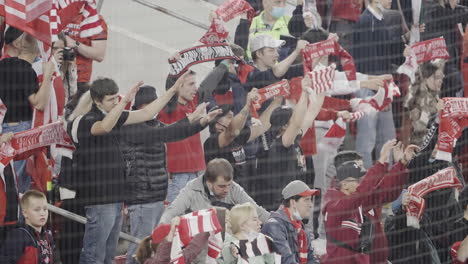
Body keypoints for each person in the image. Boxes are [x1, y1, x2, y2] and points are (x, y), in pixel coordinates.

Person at [74, 73, 187, 264]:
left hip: (117, 198)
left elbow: (145, 113)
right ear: (97, 101)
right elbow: (103, 127)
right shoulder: (88, 120)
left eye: (116, 98)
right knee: (95, 254)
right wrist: (124, 102)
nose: (114, 103)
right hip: (100, 199)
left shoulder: (115, 116)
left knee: (109, 255)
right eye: (110, 100)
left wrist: (172, 91)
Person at [120, 85, 222, 264]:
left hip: (156, 195)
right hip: (142, 197)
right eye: (154, 104)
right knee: (140, 248)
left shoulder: (153, 124)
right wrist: (192, 118)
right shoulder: (133, 126)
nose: (157, 108)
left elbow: (175, 132)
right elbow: (168, 132)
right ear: (142, 105)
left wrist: (202, 122)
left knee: (154, 247)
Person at [322, 140, 417, 264]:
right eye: (358, 178)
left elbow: (384, 191)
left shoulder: (359, 201)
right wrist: (380, 163)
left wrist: (401, 164)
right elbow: (362, 192)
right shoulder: (335, 205)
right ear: (344, 184)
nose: (363, 181)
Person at [255, 75, 325, 211]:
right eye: (292, 118)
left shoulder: (293, 139)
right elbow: (299, 121)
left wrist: (323, 86)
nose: (297, 119)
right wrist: (304, 92)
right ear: (284, 126)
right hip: (281, 207)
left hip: (295, 203)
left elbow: (311, 113)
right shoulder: (281, 144)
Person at [352, 0, 398, 168]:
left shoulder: (378, 19)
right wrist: (382, 93)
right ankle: (364, 182)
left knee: (387, 139)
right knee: (367, 141)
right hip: (369, 89)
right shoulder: (366, 22)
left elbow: (384, 55)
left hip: (380, 88)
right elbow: (367, 62)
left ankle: (386, 183)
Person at [204, 93, 282, 190]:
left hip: (241, 194)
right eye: (229, 117)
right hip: (224, 197)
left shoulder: (237, 137)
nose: (233, 119)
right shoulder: (211, 142)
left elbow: (262, 126)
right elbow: (232, 131)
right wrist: (247, 106)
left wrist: (279, 98)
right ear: (218, 125)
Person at [159, 158, 270, 224]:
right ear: (209, 181)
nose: (227, 190)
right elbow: (171, 212)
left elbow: (257, 211)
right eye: (221, 186)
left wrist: (278, 222)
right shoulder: (191, 189)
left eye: (229, 185)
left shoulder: (234, 188)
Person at [158, 70, 208, 203]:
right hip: (178, 174)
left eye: (195, 83)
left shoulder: (192, 103)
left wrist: (225, 62)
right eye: (191, 84)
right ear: (178, 86)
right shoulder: (167, 108)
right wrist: (175, 65)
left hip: (198, 171)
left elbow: (210, 81)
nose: (195, 88)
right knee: (176, 218)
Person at [261, 180, 320, 264]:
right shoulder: (274, 226)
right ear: (293, 202)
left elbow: (312, 259)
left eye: (310, 200)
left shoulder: (300, 227)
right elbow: (287, 261)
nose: (311, 205)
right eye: (306, 200)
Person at [0, 190, 54, 263]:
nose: (42, 213)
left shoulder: (48, 235)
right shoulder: (18, 235)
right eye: (37, 210)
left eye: (45, 209)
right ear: (25, 213)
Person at [62, 4, 107, 84]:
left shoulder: (95, 20)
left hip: (79, 79)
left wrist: (75, 44)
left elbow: (99, 55)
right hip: (54, 73)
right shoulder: (57, 14)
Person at [135, 217, 210, 264]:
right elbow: (161, 260)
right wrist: (171, 234)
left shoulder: (177, 257)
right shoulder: (148, 262)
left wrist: (207, 224)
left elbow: (193, 248)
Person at [404, 60, 445, 145]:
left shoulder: (435, 95)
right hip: (420, 147)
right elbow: (419, 129)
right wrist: (436, 113)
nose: (440, 81)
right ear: (426, 79)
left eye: (441, 77)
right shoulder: (418, 98)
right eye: (437, 78)